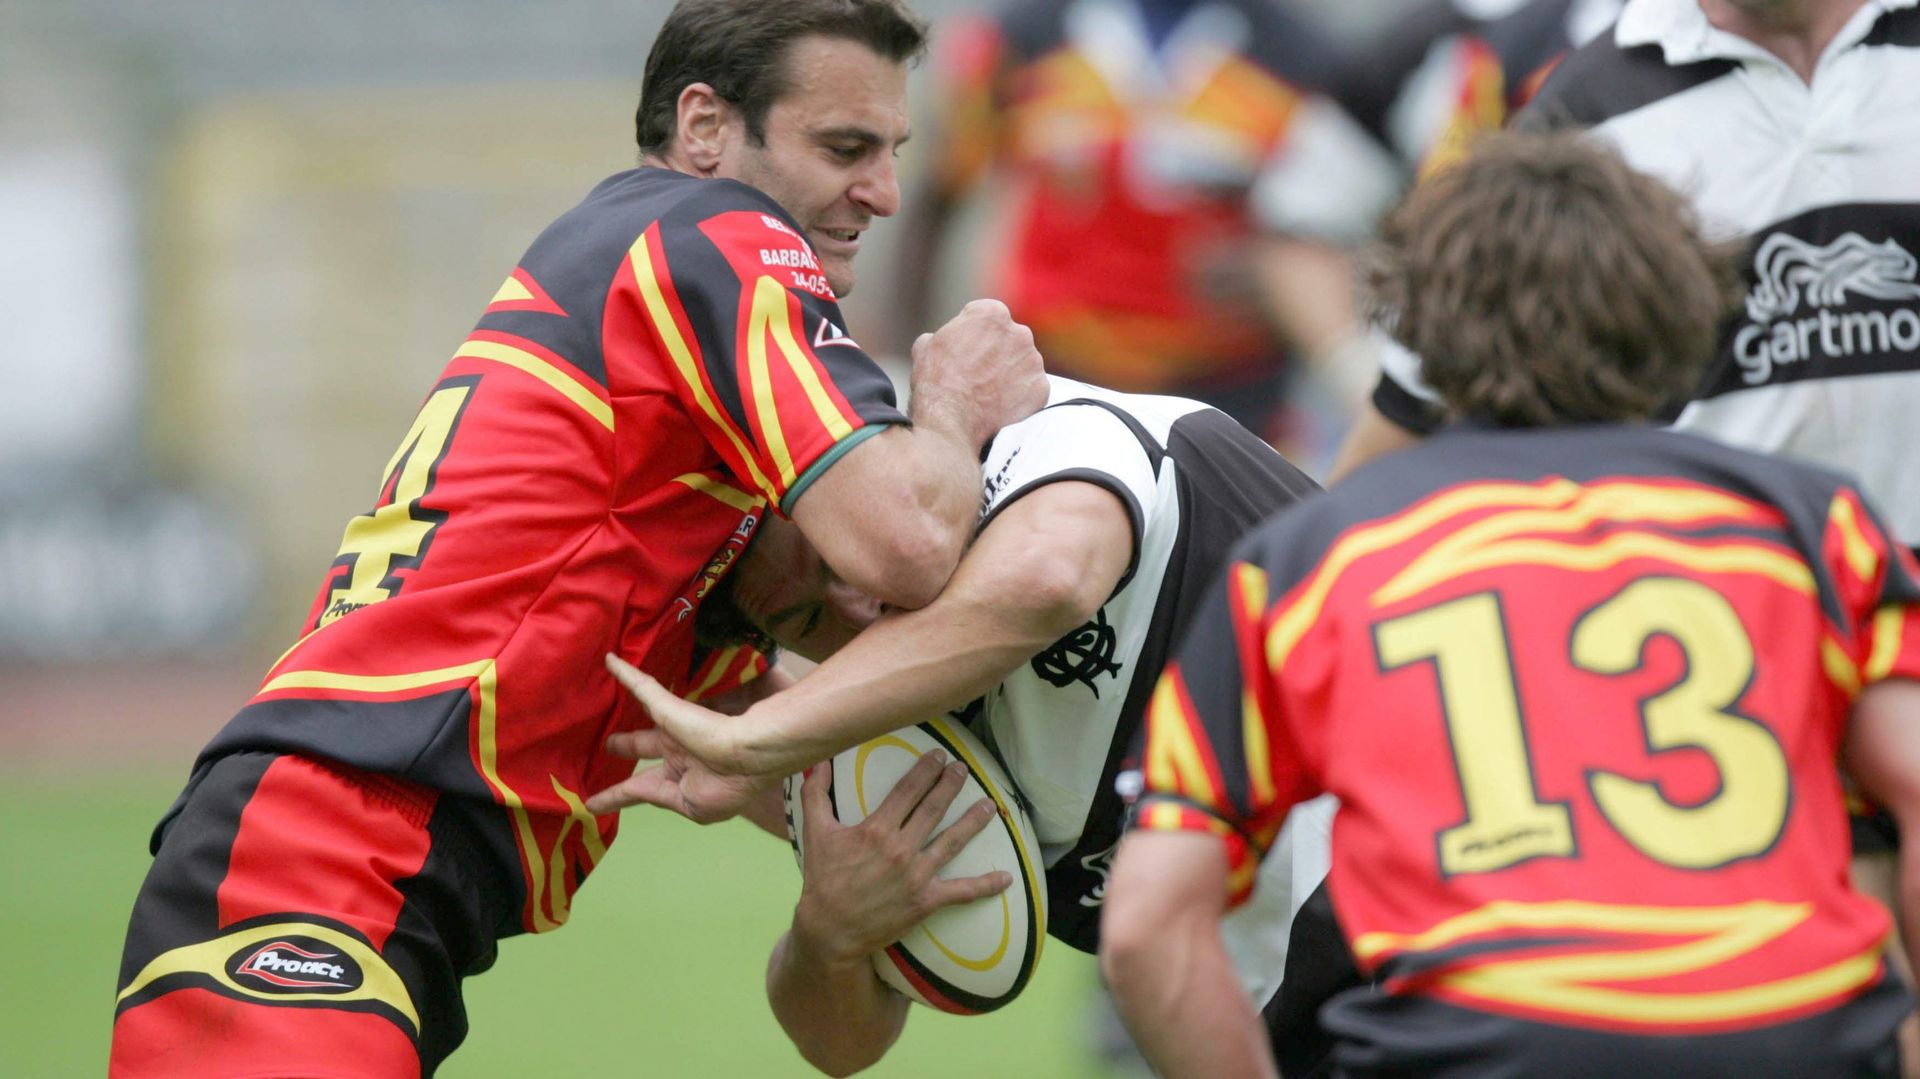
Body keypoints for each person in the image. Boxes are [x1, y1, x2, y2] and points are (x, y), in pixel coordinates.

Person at [108, 2, 1050, 1075]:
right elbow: (909, 544)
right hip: (319, 857)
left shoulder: (686, 534)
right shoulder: (714, 237)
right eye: (844, 147)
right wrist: (952, 402)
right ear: (704, 127)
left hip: (368, 882)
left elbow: (838, 1026)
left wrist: (843, 901)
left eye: (892, 153)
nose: (881, 191)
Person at [1099, 129, 1920, 1078]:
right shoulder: (1815, 525)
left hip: (1476, 1043)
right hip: (1794, 1035)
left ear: (1420, 327)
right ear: (1680, 301)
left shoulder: (1311, 559)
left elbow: (1148, 926)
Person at [586, 372, 1323, 1075]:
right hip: (1311, 1038)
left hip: (1421, 897)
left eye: (840, 546)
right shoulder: (881, 736)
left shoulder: (1035, 437)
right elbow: (840, 1046)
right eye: (807, 616)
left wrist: (761, 735)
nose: (857, 602)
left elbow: (1050, 579)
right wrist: (831, 934)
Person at [885, 0, 1401, 444]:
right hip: (1046, 384)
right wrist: (906, 361)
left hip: (1234, 398)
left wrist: (1275, 273)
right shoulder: (1016, 40)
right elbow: (938, 202)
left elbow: (1356, 230)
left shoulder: (1306, 59)